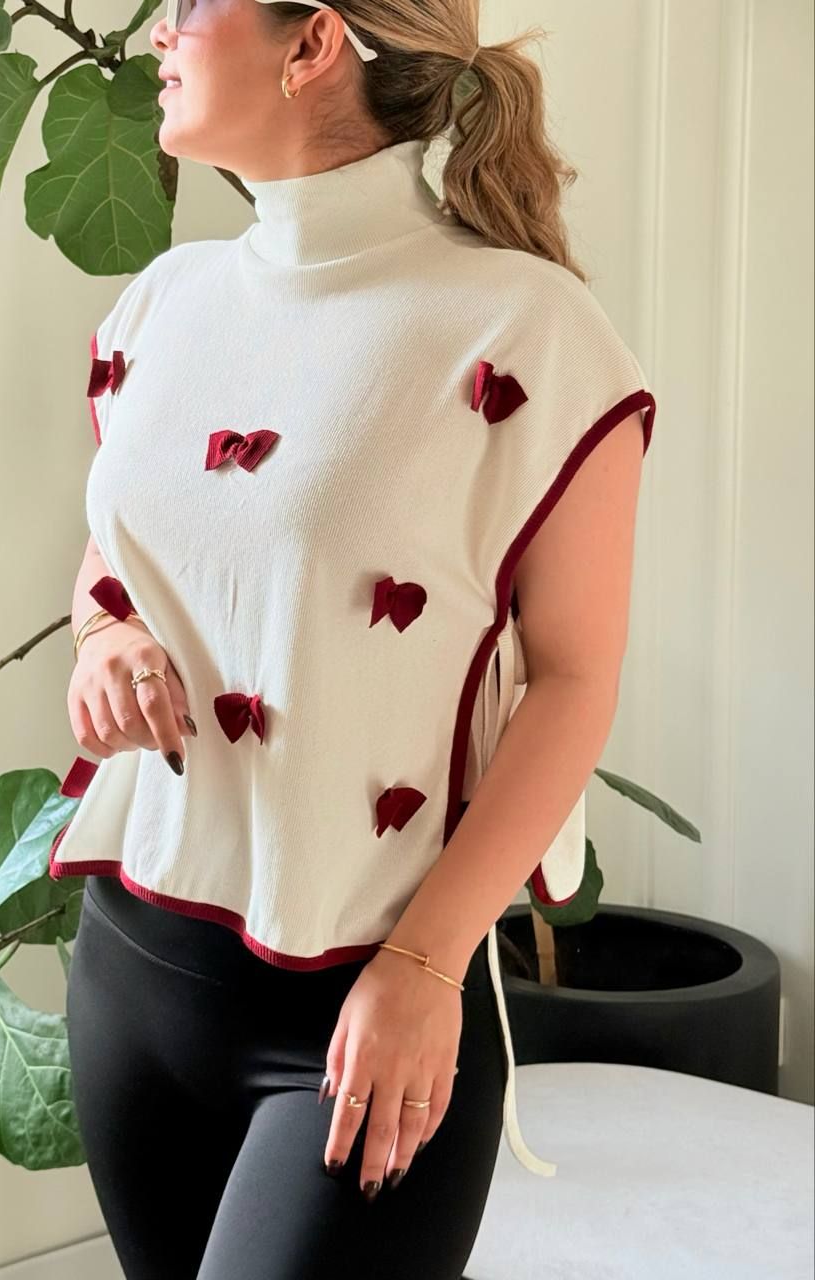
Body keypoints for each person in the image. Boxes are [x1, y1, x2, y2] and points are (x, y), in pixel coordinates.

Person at [52, 1, 657, 1276]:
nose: (156, 33)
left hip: (368, 1006)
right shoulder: (163, 301)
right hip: (133, 973)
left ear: (312, 43)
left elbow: (574, 677)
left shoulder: (530, 330)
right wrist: (102, 642)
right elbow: (120, 554)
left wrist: (427, 965)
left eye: (189, 7)